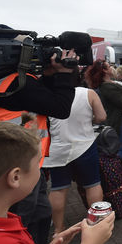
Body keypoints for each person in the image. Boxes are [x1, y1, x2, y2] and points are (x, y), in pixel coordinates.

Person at [0, 35, 78, 244]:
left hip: (1, 161)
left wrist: (48, 75)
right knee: (19, 222)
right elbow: (61, 108)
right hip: (13, 170)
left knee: (40, 212)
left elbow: (36, 100)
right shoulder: (14, 84)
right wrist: (65, 74)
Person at [44, 86, 107, 234]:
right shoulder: (88, 93)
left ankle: (58, 230)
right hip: (85, 145)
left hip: (58, 148)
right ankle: (95, 226)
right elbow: (101, 117)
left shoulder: (48, 93)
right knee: (92, 185)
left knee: (58, 188)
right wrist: (89, 120)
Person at [84, 60, 122, 165]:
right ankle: (118, 174)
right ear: (104, 71)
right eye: (109, 67)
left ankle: (119, 174)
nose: (112, 68)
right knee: (121, 150)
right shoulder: (106, 86)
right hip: (121, 119)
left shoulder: (111, 83)